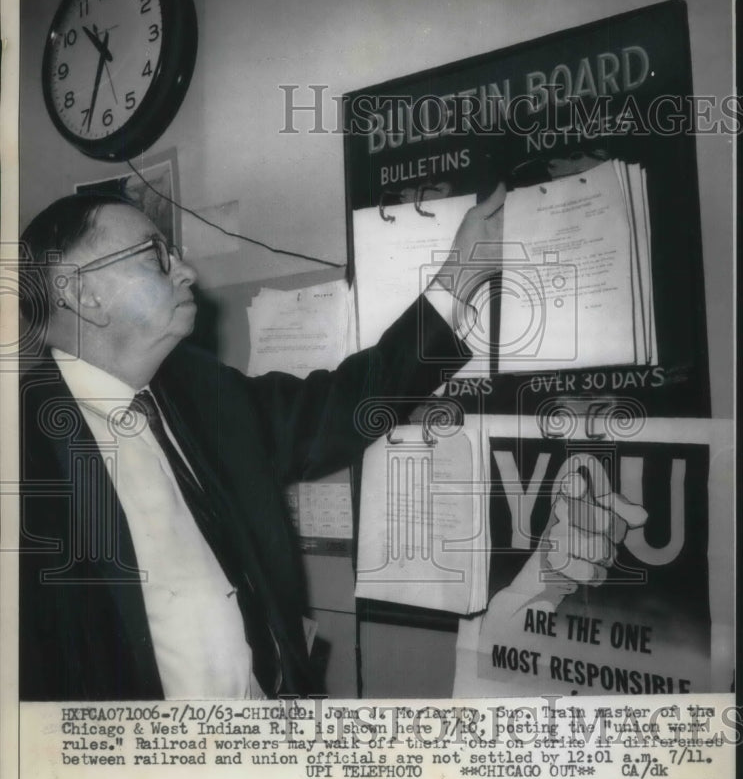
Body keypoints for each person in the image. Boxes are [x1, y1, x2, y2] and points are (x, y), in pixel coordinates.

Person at [18, 188, 636, 701]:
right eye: (155, 255)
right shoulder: (22, 456)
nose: (186, 269)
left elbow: (344, 404)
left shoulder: (202, 392)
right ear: (80, 291)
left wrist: (459, 278)